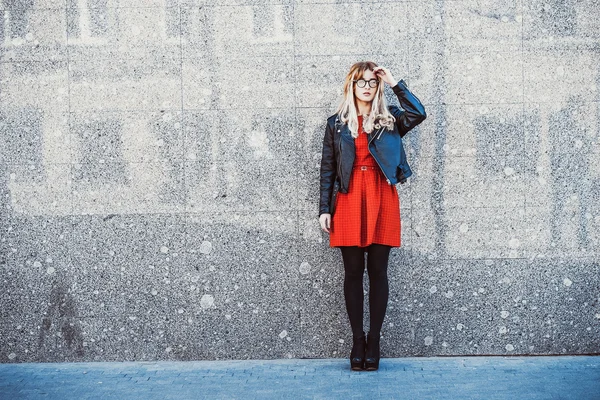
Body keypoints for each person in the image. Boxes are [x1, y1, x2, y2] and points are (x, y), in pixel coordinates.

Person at [318, 61, 427, 371]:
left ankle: (374, 340)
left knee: (378, 271)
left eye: (372, 82)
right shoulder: (336, 124)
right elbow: (328, 168)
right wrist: (324, 209)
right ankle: (357, 341)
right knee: (353, 272)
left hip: (381, 196)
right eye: (360, 81)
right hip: (350, 199)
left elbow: (418, 113)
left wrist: (393, 82)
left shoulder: (390, 119)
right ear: (351, 86)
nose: (366, 86)